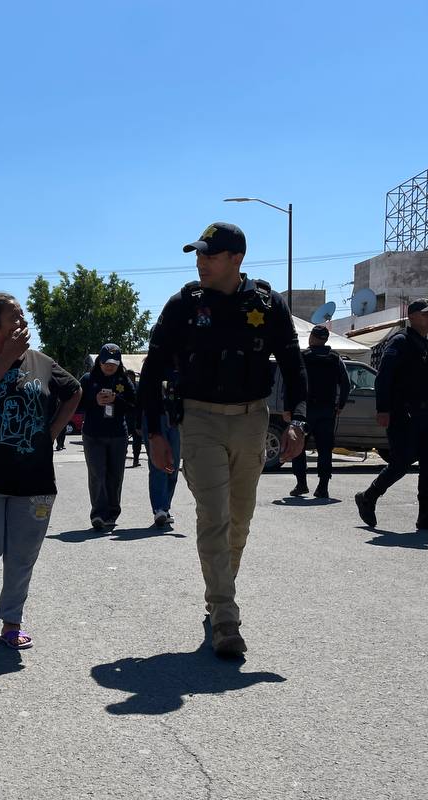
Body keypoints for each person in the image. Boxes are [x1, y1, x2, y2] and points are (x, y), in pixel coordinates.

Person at [139, 222, 307, 658]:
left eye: (209, 256)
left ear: (237, 259)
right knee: (212, 515)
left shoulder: (268, 304)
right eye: (198, 255)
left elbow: (292, 361)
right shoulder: (184, 304)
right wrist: (154, 432)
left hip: (252, 419)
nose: (200, 262)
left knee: (240, 517)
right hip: (199, 420)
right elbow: (153, 367)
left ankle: (219, 590)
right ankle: (225, 615)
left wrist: (297, 420)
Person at [0, 293, 81, 650]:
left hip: (34, 480)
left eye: (24, 314)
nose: (23, 321)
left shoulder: (41, 362)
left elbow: (74, 391)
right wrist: (8, 357)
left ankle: (12, 619)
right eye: (15, 316)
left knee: (23, 555)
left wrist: (52, 432)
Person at [355, 300, 428, 532]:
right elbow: (383, 377)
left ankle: (426, 516)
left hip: (426, 413)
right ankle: (368, 496)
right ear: (413, 316)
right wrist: (383, 409)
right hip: (403, 412)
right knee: (401, 462)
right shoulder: (399, 342)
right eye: (427, 314)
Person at [289, 324, 351, 500]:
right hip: (327, 410)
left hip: (305, 410)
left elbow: (293, 383)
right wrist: (341, 404)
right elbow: (346, 383)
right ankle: (323, 487)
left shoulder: (304, 357)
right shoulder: (334, 358)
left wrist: (290, 408)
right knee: (325, 449)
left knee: (298, 446)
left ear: (312, 338)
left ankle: (301, 484)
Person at [78, 344, 135, 530]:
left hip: (118, 435)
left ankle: (112, 512)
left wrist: (116, 400)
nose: (110, 366)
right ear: (99, 361)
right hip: (93, 435)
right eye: (106, 363)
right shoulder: (88, 379)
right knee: (97, 474)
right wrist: (94, 401)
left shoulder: (124, 380)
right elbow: (77, 405)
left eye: (114, 363)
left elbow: (134, 404)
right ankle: (98, 514)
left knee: (115, 475)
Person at [143, 365, 182, 527]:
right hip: (154, 417)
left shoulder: (185, 363)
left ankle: (165, 507)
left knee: (173, 465)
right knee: (158, 464)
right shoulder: (153, 364)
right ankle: (159, 508)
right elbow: (142, 395)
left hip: (175, 419)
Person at [125, 369, 145, 467]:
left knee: (137, 441)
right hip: (126, 417)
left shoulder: (138, 386)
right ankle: (121, 459)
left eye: (131, 376)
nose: (129, 378)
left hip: (137, 417)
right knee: (124, 440)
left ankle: (135, 460)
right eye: (127, 376)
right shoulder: (122, 386)